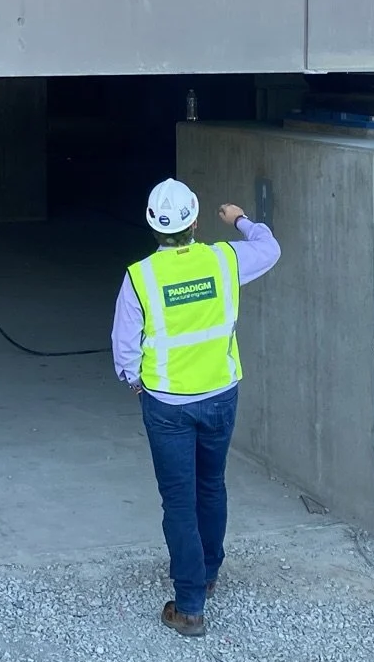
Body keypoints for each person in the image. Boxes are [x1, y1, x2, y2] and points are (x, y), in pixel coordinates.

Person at [111, 178, 281, 637]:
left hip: (167, 405)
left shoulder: (141, 276)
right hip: (220, 395)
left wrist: (134, 381)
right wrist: (240, 219)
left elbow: (124, 346)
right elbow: (270, 249)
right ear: (196, 220)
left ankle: (188, 607)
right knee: (211, 486)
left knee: (180, 500)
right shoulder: (224, 260)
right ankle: (207, 575)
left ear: (152, 226)